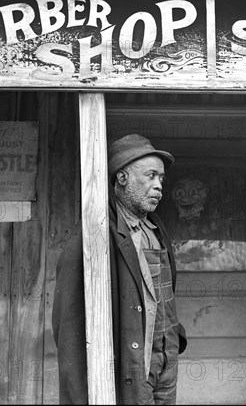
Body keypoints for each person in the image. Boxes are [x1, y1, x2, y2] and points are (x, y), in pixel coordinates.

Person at [52, 134, 187, 405]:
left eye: (161, 178)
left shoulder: (156, 229)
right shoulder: (95, 234)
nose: (158, 185)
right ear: (122, 178)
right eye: (150, 176)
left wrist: (173, 339)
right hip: (131, 365)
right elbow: (68, 322)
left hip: (165, 358)